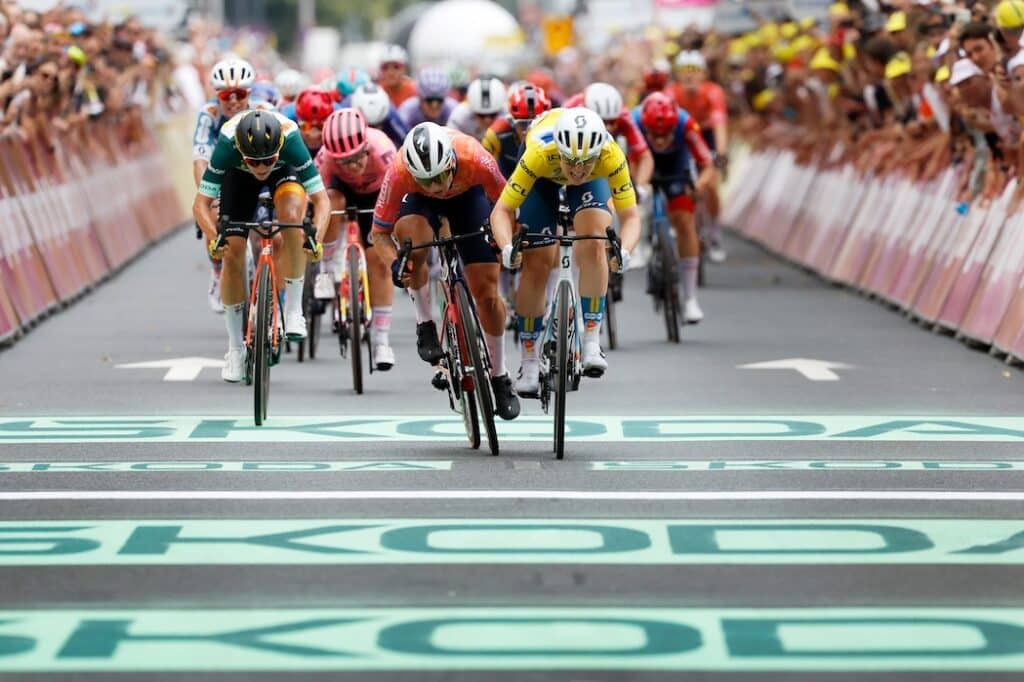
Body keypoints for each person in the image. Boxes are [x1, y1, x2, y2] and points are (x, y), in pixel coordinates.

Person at [370, 122, 520, 420]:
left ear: (451, 161)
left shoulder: (475, 157)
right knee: (412, 248)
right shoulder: (400, 171)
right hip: (418, 206)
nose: (436, 186)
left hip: (469, 199)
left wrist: (504, 244)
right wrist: (397, 264)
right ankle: (425, 323)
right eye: (426, 180)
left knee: (487, 295)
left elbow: (506, 205)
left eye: (439, 177)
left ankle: (499, 375)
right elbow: (380, 234)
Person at [489, 107, 641, 394]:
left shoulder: (610, 155)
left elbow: (631, 216)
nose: (578, 170)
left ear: (599, 153)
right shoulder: (537, 153)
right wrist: (507, 247)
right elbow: (502, 211)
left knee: (595, 238)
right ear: (559, 151)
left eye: (586, 162)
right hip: (543, 179)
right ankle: (530, 360)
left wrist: (626, 252)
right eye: (571, 162)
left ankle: (592, 342)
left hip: (588, 185)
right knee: (536, 262)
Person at [193, 109, 331, 383]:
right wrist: (213, 236)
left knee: (292, 219)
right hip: (237, 180)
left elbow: (322, 200)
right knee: (231, 251)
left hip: (285, 175)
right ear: (241, 152)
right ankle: (234, 350)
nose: (260, 168)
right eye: (253, 161)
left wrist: (316, 236)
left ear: (278, 148)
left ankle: (293, 311)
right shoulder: (227, 144)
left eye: (267, 160)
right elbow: (200, 205)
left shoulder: (291, 139)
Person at [315, 108, 399, 370]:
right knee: (332, 201)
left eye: (357, 157)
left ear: (366, 146)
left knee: (379, 263)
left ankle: (381, 340)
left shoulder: (384, 151)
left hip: (378, 196)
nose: (353, 166)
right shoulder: (324, 160)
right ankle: (327, 271)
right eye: (345, 162)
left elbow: (398, 196)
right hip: (340, 193)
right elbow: (317, 201)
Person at [633, 92, 718, 325]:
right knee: (633, 200)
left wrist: (699, 186)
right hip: (641, 163)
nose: (659, 141)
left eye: (665, 135)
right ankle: (640, 244)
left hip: (676, 168)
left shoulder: (687, 124)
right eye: (654, 135)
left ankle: (690, 298)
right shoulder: (634, 122)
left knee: (684, 220)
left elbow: (708, 165)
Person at [192, 58, 262, 314]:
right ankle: (217, 269)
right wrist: (209, 196)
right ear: (216, 95)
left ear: (249, 94)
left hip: (258, 173)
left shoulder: (263, 110)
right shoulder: (209, 115)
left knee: (266, 227)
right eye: (226, 95)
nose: (233, 101)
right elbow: (200, 160)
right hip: (223, 174)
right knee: (212, 214)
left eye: (240, 94)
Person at [671, 51, 730, 263]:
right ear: (678, 75)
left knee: (711, 183)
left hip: (706, 135)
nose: (690, 77)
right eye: (685, 72)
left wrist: (721, 154)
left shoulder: (713, 92)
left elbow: (719, 124)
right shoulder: (671, 94)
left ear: (704, 74)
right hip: (683, 136)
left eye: (695, 71)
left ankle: (714, 233)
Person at [351, 82, 408, 147]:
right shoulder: (348, 114)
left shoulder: (391, 114)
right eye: (369, 126)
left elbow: (405, 139)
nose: (373, 133)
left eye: (377, 126)